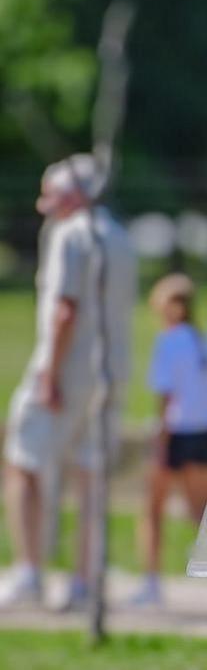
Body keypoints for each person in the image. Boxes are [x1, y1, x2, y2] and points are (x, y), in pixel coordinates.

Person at [0, 154, 137, 609]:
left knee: (23, 464)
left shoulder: (70, 235)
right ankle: (83, 582)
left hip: (67, 370)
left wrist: (48, 375)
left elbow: (65, 311)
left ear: (76, 194)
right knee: (91, 476)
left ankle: (29, 572)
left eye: (52, 194)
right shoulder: (120, 237)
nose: (44, 205)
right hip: (110, 372)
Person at [130, 273, 207, 606]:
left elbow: (166, 395)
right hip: (203, 430)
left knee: (152, 508)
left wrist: (159, 438)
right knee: (202, 511)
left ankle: (151, 582)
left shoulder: (169, 341)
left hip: (174, 432)